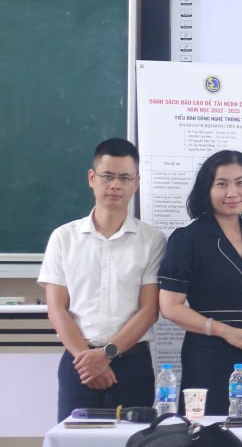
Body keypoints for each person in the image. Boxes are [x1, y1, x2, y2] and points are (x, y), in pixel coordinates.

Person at [39, 139, 167, 421]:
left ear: (136, 183)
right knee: (75, 439)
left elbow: (149, 310)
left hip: (131, 364)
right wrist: (88, 360)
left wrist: (106, 354)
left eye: (125, 178)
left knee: (134, 439)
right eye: (108, 176)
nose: (115, 185)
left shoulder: (152, 240)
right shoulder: (63, 238)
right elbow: (57, 308)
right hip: (79, 363)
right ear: (92, 178)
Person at [158, 150, 242, 416]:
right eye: (222, 184)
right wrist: (226, 331)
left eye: (240, 182)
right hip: (207, 355)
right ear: (207, 189)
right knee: (207, 432)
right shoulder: (187, 238)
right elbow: (170, 307)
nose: (232, 192)